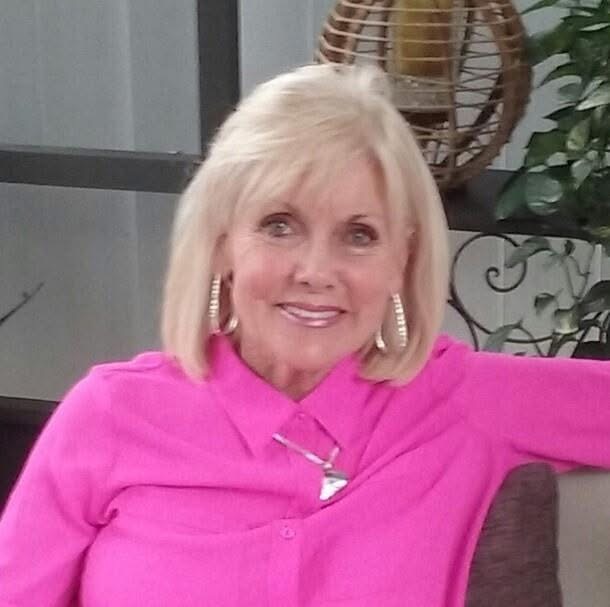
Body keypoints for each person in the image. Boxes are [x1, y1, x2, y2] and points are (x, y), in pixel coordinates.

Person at [0, 63, 609, 607]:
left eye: (359, 235)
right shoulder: (111, 415)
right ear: (222, 244)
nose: (316, 271)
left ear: (402, 259)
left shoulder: (462, 399)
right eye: (279, 225)